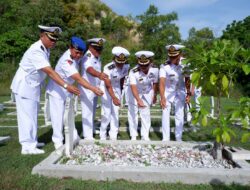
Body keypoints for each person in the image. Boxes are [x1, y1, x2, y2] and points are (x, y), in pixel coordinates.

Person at [10, 25, 80, 155]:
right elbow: (49, 71)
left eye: (55, 39)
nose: (53, 42)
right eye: (51, 38)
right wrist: (66, 86)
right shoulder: (36, 50)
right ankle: (27, 146)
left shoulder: (45, 49)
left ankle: (33, 142)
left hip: (32, 86)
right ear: (41, 35)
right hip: (25, 85)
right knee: (27, 116)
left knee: (32, 115)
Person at [46, 37, 103, 149]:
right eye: (77, 52)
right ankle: (58, 142)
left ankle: (74, 137)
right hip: (57, 91)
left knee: (69, 115)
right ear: (70, 48)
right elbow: (78, 78)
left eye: (81, 53)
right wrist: (93, 88)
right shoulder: (66, 61)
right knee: (58, 117)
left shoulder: (76, 57)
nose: (78, 56)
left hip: (67, 90)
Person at [159, 44, 191, 142]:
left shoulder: (185, 64)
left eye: (174, 56)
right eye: (170, 56)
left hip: (180, 90)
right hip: (168, 92)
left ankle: (178, 137)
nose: (172, 58)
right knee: (165, 113)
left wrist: (188, 94)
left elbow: (187, 79)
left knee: (180, 114)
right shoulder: (164, 66)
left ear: (180, 55)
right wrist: (162, 97)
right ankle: (165, 138)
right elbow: (162, 82)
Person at [79, 38, 108, 140]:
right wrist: (99, 75)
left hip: (95, 88)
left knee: (93, 110)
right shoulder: (87, 56)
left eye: (100, 49)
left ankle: (90, 129)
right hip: (87, 88)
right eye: (96, 49)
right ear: (90, 47)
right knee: (87, 111)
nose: (98, 51)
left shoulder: (97, 56)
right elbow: (89, 69)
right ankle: (87, 135)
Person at [99, 46, 130, 140]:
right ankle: (102, 134)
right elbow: (108, 84)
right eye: (118, 62)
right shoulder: (108, 68)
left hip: (116, 88)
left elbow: (122, 79)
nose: (120, 64)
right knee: (107, 113)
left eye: (122, 62)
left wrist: (120, 92)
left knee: (115, 112)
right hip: (105, 88)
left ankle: (113, 135)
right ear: (114, 59)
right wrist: (114, 97)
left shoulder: (126, 66)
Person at [128, 51, 159, 141]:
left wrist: (154, 95)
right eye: (141, 66)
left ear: (150, 62)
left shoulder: (155, 69)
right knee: (133, 113)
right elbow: (133, 87)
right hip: (134, 92)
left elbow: (155, 82)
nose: (144, 68)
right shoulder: (133, 72)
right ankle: (133, 135)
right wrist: (138, 100)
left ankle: (145, 135)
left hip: (147, 92)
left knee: (145, 114)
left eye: (146, 65)